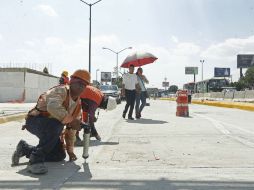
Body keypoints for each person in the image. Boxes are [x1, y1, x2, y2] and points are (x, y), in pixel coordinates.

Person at [11, 69, 90, 174]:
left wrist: (70, 151)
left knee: (59, 155)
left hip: (52, 127)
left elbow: (71, 131)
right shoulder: (61, 91)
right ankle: (35, 161)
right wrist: (71, 120)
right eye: (79, 83)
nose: (81, 87)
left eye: (84, 85)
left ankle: (24, 148)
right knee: (57, 125)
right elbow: (52, 107)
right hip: (35, 121)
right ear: (71, 81)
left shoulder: (78, 105)